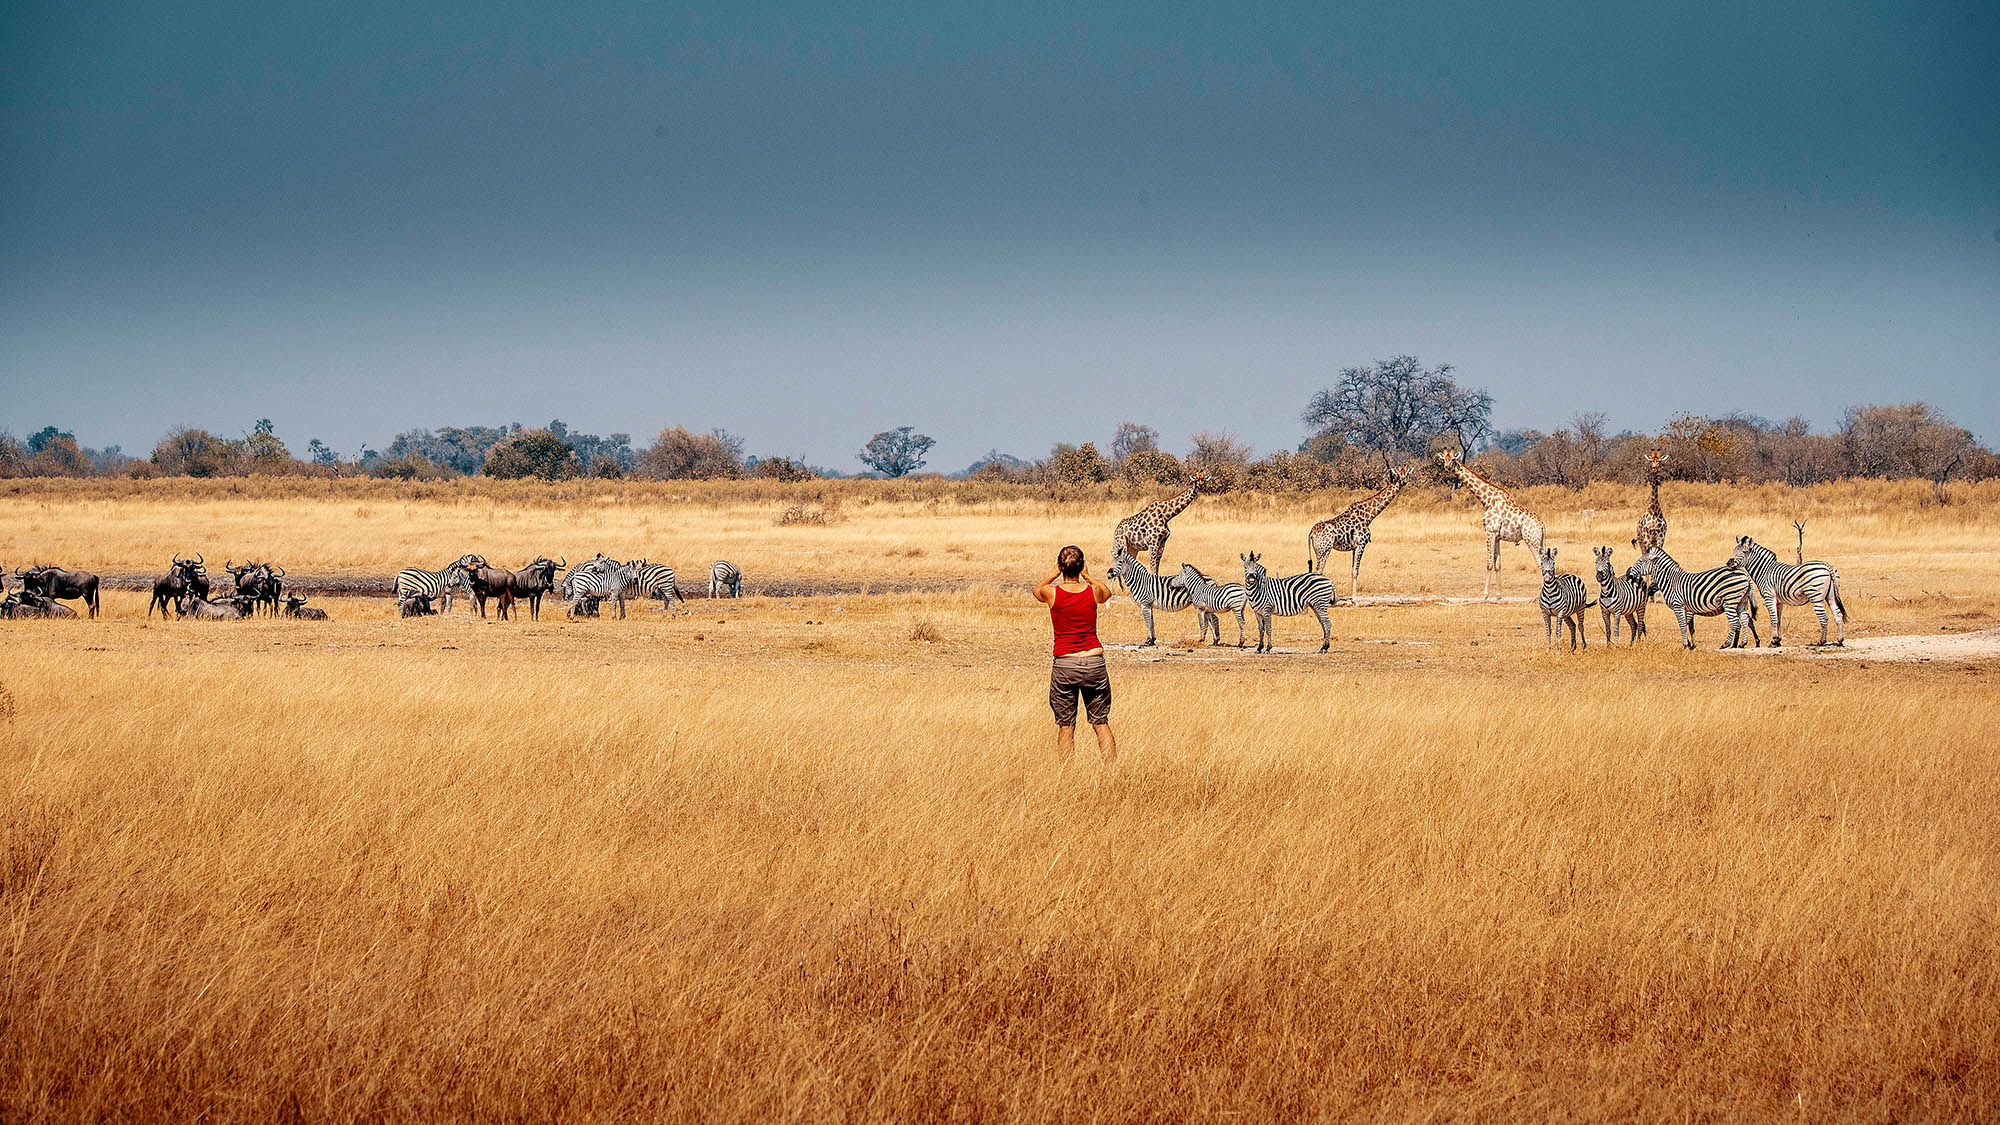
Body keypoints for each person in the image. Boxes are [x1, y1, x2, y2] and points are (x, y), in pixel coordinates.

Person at [1034, 545, 1117, 763]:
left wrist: (1054, 573)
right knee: (1100, 722)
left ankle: (1067, 774)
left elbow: (1037, 590)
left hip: (1065, 664)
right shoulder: (1093, 591)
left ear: (1061, 567)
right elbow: (1107, 593)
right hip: (1094, 662)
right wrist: (1088, 577)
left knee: (1066, 725)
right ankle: (1111, 771)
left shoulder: (1052, 593)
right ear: (1081, 567)